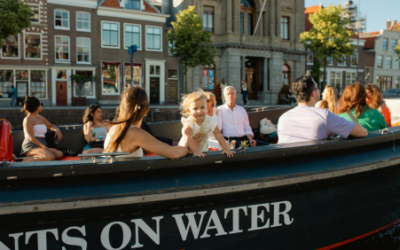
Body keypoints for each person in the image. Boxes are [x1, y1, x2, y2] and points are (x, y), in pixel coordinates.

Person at [277, 75, 368, 144]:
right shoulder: (324, 116)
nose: (319, 90)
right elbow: (362, 132)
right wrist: (349, 114)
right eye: (317, 88)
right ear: (313, 93)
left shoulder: (283, 118)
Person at [104, 86, 188, 159]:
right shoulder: (135, 133)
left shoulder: (114, 128)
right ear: (147, 109)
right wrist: (187, 147)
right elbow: (174, 154)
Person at [178, 90, 235, 158]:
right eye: (195, 108)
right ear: (189, 111)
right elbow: (188, 137)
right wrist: (195, 151)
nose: (199, 111)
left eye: (202, 107)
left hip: (202, 150)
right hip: (186, 151)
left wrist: (225, 149)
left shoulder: (210, 121)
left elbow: (219, 135)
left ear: (207, 108)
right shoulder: (189, 123)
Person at [20, 96, 64, 161]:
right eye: (41, 104)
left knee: (60, 154)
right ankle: (26, 160)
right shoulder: (28, 119)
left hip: (42, 144)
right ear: (37, 107)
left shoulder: (40, 117)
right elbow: (31, 138)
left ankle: (37, 156)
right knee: (50, 157)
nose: (42, 106)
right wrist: (46, 148)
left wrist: (56, 129)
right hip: (31, 146)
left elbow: (50, 126)